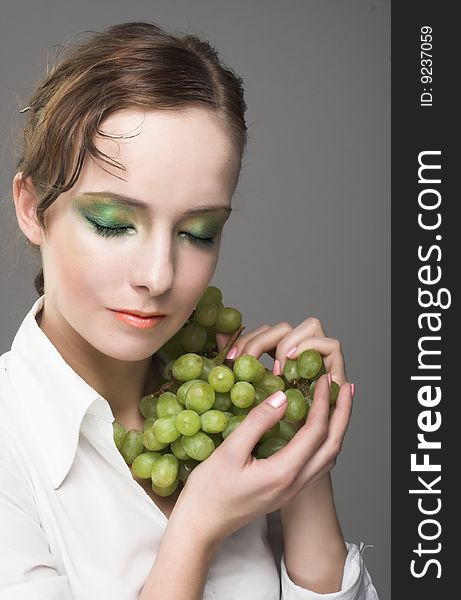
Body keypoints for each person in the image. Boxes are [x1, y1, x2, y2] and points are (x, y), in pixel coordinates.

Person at [0, 21, 379, 600]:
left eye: (198, 233)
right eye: (112, 223)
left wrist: (302, 463)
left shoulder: (234, 403)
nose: (158, 277)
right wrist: (196, 530)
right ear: (31, 209)